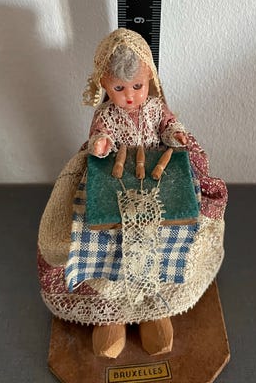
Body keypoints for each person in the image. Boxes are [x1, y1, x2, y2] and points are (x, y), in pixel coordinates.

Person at [37, 28, 227, 359]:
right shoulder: (106, 114)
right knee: (106, 240)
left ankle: (155, 307)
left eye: (137, 87)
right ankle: (112, 314)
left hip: (158, 181)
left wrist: (177, 136)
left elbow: (169, 126)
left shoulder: (155, 108)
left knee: (168, 234)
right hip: (116, 182)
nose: (129, 96)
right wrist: (101, 144)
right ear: (104, 84)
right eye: (119, 88)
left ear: (149, 79)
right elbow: (101, 137)